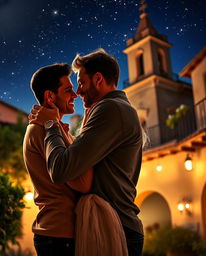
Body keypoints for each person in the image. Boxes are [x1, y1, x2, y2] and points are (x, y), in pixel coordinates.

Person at [29, 48, 144, 256]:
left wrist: (51, 124)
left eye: (81, 83)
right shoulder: (116, 108)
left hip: (116, 228)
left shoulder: (110, 109)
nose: (78, 92)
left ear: (98, 79)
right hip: (112, 226)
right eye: (72, 87)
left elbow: (62, 169)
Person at [23, 63, 93, 256]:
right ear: (50, 96)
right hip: (58, 236)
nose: (75, 95)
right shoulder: (42, 129)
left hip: (61, 233)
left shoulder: (54, 127)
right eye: (68, 90)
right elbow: (82, 182)